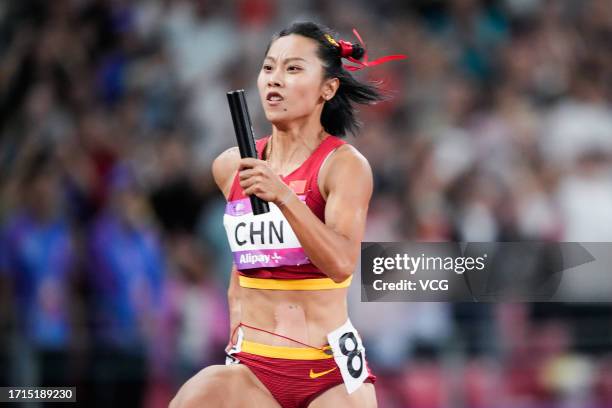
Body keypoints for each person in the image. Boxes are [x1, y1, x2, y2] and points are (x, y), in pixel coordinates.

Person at [171, 21, 405, 408]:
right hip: (254, 367)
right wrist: (236, 335)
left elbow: (342, 263)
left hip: (328, 373)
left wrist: (283, 197)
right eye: (269, 68)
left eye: (293, 69)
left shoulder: (342, 166)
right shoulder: (232, 166)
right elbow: (242, 269)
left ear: (327, 89)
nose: (274, 80)